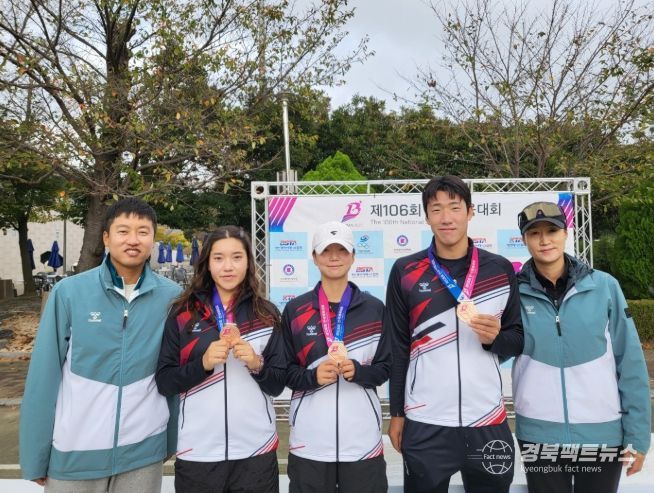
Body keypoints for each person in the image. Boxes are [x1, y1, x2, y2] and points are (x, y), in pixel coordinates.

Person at [20, 198, 182, 492]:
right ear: (106, 237)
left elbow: (172, 371)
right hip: (74, 452)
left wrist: (169, 440)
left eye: (143, 232)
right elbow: (43, 377)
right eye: (123, 231)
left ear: (152, 240)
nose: (133, 240)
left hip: (143, 452)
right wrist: (35, 454)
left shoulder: (172, 297)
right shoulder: (69, 292)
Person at [386, 175, 524, 493]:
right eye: (436, 209)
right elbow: (398, 347)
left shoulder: (500, 269)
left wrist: (495, 338)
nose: (446, 217)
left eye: (454, 207)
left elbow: (517, 340)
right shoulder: (406, 271)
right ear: (426, 216)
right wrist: (397, 413)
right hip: (426, 421)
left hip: (487, 419)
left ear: (470, 212)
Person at [512, 201, 651, 493]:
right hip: (539, 434)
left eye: (552, 231)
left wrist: (637, 436)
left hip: (602, 434)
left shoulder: (604, 286)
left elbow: (630, 362)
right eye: (534, 233)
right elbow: (495, 350)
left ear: (566, 233)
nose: (544, 240)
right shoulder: (513, 292)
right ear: (524, 240)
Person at [156, 226, 285, 492]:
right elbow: (165, 382)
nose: (228, 266)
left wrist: (256, 364)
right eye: (218, 258)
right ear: (207, 263)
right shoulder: (183, 314)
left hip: (256, 451)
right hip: (198, 452)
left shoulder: (266, 314)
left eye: (237, 257)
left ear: (248, 262)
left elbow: (278, 384)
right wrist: (202, 365)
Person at [282, 221, 391, 493]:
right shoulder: (295, 310)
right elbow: (284, 371)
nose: (334, 257)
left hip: (362, 443)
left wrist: (361, 372)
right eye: (326, 250)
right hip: (310, 443)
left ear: (353, 256)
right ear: (314, 257)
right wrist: (312, 377)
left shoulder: (374, 309)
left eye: (342, 250)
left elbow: (387, 366)